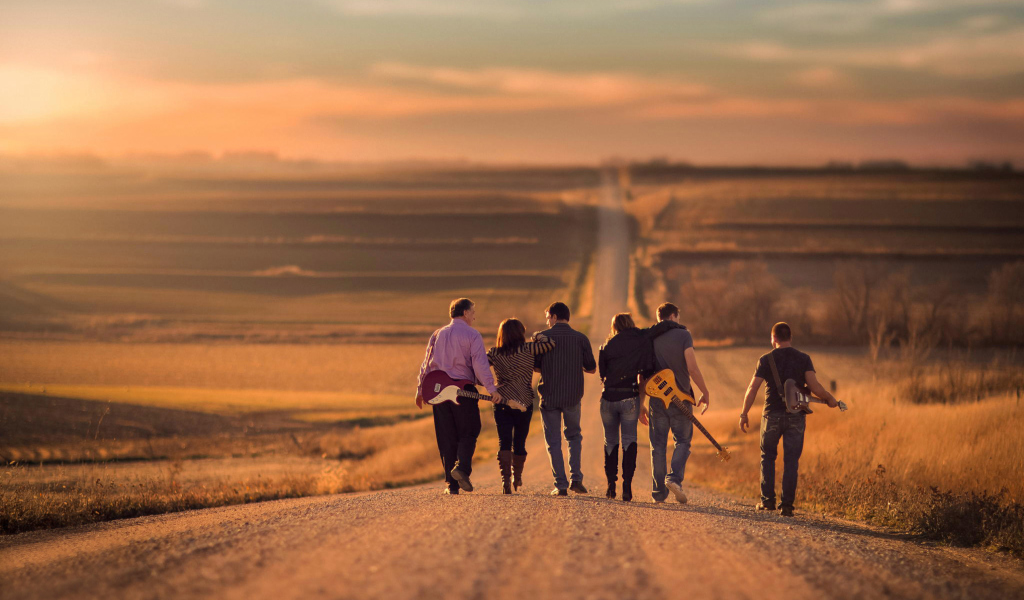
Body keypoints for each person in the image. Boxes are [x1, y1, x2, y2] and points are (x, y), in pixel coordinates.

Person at [738, 321, 838, 516]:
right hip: (796, 416)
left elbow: (753, 388)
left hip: (771, 415)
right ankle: (786, 506)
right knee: (791, 461)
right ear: (790, 337)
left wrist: (744, 413)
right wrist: (830, 398)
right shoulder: (803, 358)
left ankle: (767, 502)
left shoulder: (765, 359)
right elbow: (815, 386)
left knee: (767, 456)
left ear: (773, 338)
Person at [416, 298, 503, 495]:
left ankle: (451, 485)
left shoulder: (437, 334)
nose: (474, 316)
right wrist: (492, 389)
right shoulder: (472, 334)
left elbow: (426, 364)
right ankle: (462, 468)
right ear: (465, 313)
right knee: (470, 430)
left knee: (446, 436)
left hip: (438, 393)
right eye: (473, 312)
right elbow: (480, 365)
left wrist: (420, 390)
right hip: (463, 390)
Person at [647, 302, 711, 504]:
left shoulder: (650, 336)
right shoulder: (684, 335)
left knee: (657, 445)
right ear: (674, 316)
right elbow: (692, 367)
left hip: (657, 399)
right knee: (682, 441)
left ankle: (659, 493)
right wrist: (704, 391)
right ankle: (674, 479)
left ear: (659, 318)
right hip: (681, 397)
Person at [534, 301, 596, 496]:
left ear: (553, 316)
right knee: (574, 437)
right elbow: (592, 368)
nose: (547, 322)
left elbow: (536, 367)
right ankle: (576, 479)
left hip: (550, 396)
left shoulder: (543, 339)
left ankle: (560, 484)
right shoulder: (580, 338)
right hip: (572, 396)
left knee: (553, 441)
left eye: (547, 318)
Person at [487, 318, 555, 494]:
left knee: (504, 441)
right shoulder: (529, 348)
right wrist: (537, 335)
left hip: (502, 400)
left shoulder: (494, 353)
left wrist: (491, 387)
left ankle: (505, 481)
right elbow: (550, 344)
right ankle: (517, 477)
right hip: (524, 400)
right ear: (520, 333)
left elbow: (479, 368)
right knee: (520, 441)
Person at [598, 313, 656, 502]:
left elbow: (603, 374)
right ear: (630, 324)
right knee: (629, 441)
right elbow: (644, 375)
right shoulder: (638, 344)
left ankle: (610, 486)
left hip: (608, 397)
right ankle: (627, 486)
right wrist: (641, 402)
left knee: (610, 441)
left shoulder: (606, 346)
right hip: (629, 397)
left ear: (614, 326)